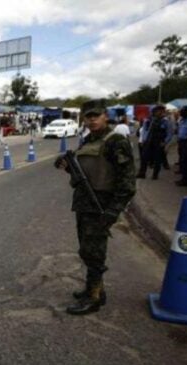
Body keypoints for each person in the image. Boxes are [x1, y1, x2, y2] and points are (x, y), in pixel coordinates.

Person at [54, 99, 136, 315]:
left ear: (105, 116)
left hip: (101, 205)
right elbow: (85, 173)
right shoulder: (88, 140)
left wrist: (112, 211)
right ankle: (94, 288)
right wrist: (67, 166)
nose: (91, 120)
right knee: (86, 249)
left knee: (94, 252)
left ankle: (94, 297)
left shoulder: (115, 141)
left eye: (96, 116)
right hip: (84, 203)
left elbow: (127, 183)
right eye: (88, 116)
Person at [137, 105, 168, 180]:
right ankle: (142, 173)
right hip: (148, 140)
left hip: (159, 142)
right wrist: (143, 139)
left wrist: (165, 142)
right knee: (144, 158)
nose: (160, 112)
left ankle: (155, 175)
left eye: (161, 111)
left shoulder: (165, 121)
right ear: (154, 112)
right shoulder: (148, 120)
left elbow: (170, 133)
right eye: (158, 111)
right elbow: (144, 130)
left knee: (157, 159)